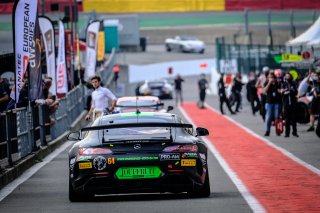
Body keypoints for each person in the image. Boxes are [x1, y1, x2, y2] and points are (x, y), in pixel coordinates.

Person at [263, 72, 281, 136]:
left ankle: (278, 130)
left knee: (277, 117)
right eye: (269, 77)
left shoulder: (277, 83)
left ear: (274, 77)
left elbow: (279, 90)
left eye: (272, 77)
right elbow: (264, 91)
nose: (271, 78)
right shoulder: (266, 83)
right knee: (269, 117)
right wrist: (269, 83)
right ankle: (268, 131)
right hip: (269, 102)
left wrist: (281, 91)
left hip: (276, 102)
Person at [281, 72, 299, 137]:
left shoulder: (293, 83)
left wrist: (291, 90)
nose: (287, 77)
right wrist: (285, 91)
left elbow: (295, 91)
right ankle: (287, 133)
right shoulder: (283, 84)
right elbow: (282, 92)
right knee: (287, 119)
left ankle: (295, 132)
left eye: (288, 76)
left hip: (293, 103)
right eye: (286, 76)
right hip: (286, 104)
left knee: (294, 119)